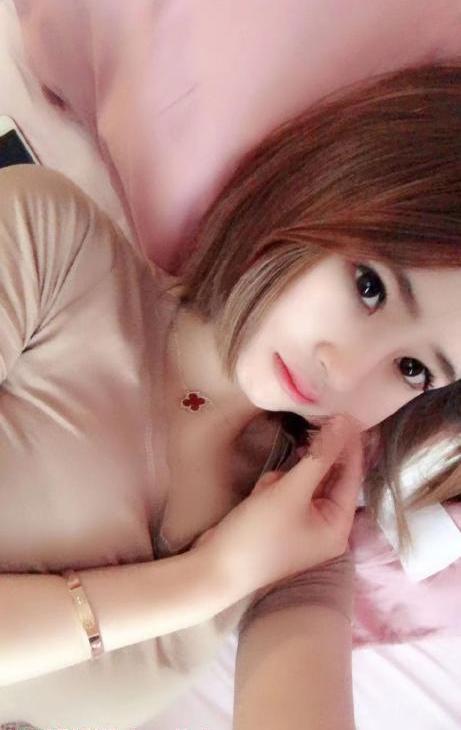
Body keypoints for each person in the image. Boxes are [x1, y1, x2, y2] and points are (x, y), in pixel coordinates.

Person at [1, 62, 461, 729]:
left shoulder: (302, 525)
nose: (345, 370)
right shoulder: (48, 248)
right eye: (369, 287)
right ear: (317, 191)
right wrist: (210, 579)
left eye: (412, 368)